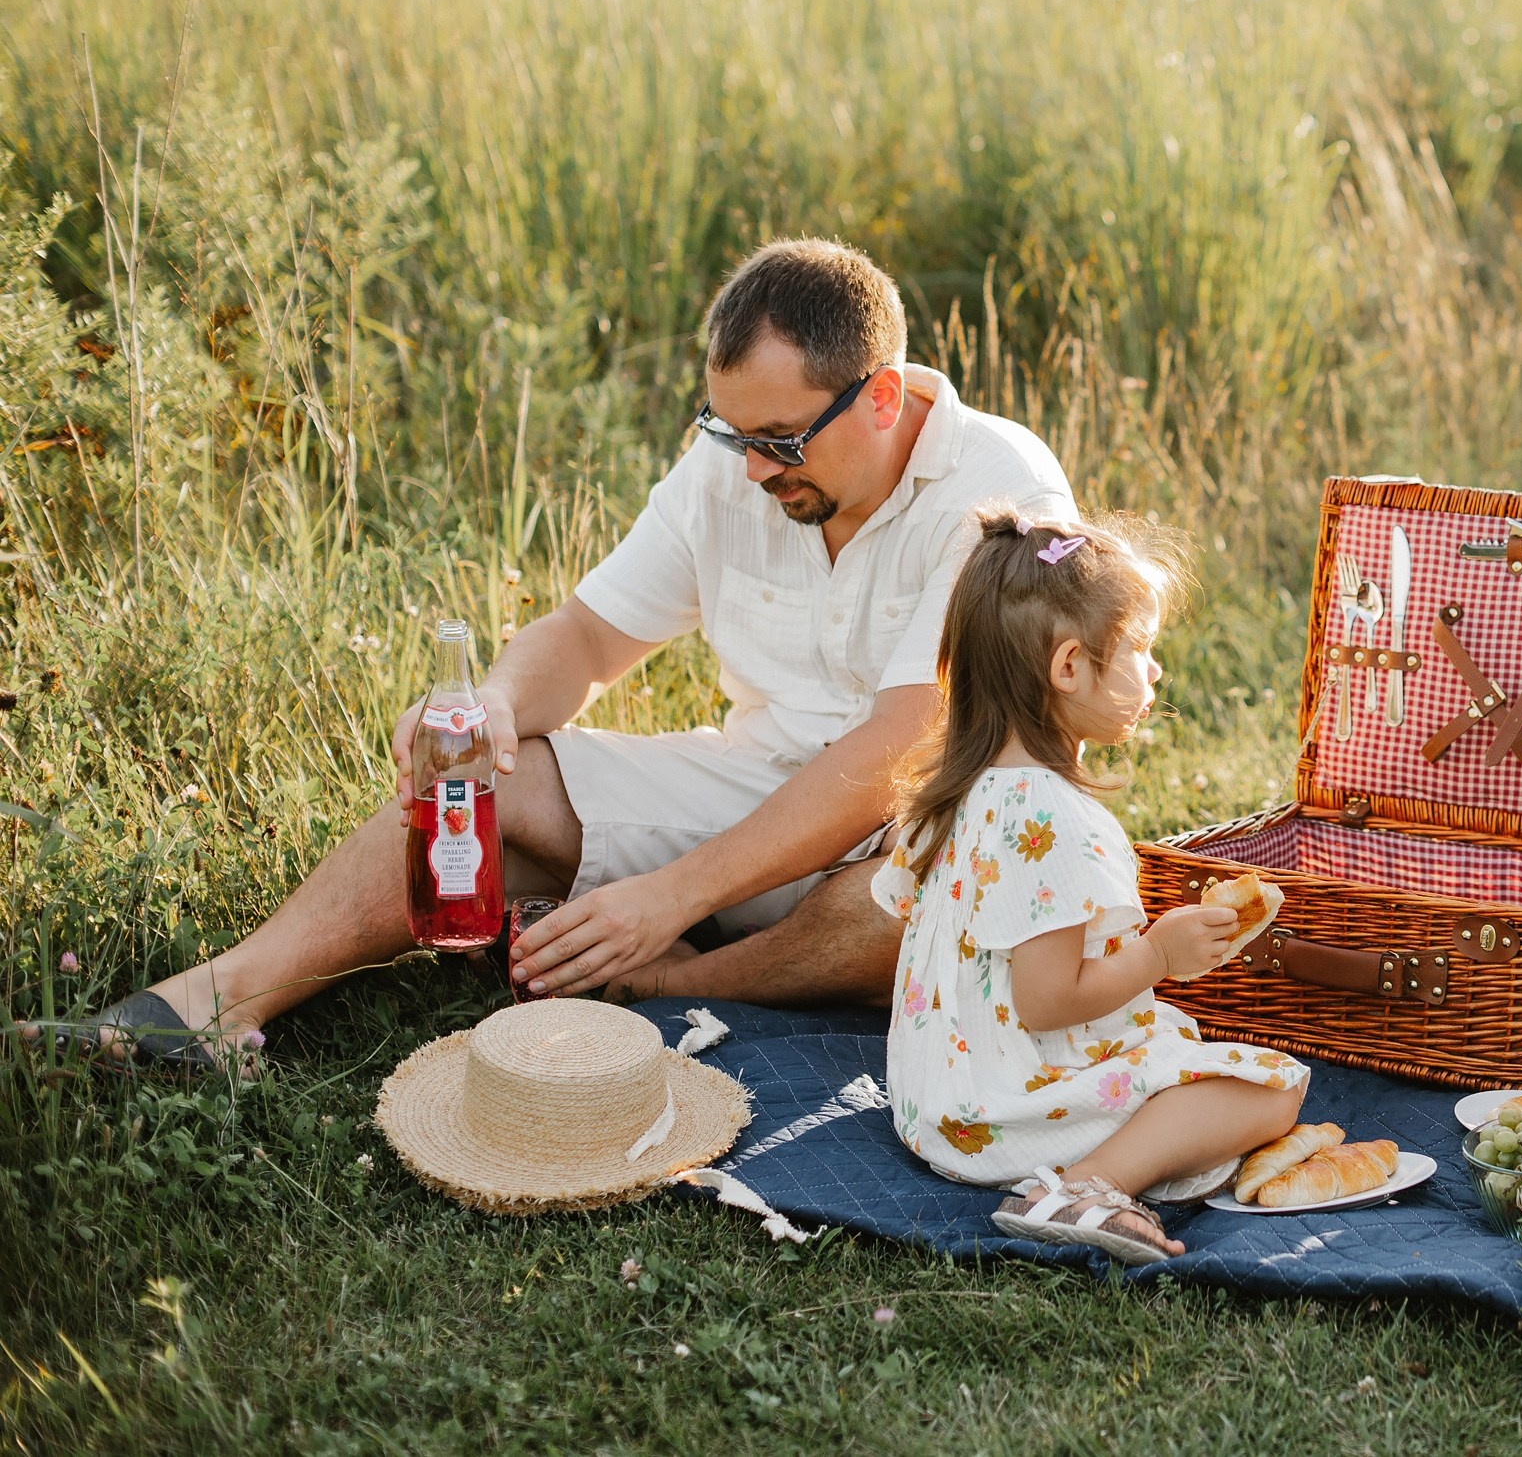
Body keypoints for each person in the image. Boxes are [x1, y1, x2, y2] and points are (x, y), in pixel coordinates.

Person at [44, 238, 1073, 1068]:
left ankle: (677, 975)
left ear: (881, 397)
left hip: (926, 823)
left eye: (780, 441)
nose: (753, 470)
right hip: (756, 785)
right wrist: (493, 707)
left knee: (935, 900)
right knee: (484, 786)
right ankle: (217, 1000)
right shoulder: (735, 465)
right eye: (730, 434)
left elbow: (901, 747)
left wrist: (673, 896)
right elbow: (585, 637)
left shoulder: (1001, 489)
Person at [873, 509, 1306, 1264]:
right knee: (1273, 1087)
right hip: (997, 1117)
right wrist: (1159, 954)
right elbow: (1048, 1000)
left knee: (1171, 1037)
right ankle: (1084, 1185)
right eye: (1140, 647)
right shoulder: (1054, 820)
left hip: (931, 1102)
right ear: (1068, 667)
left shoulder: (959, 789)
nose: (1155, 670)